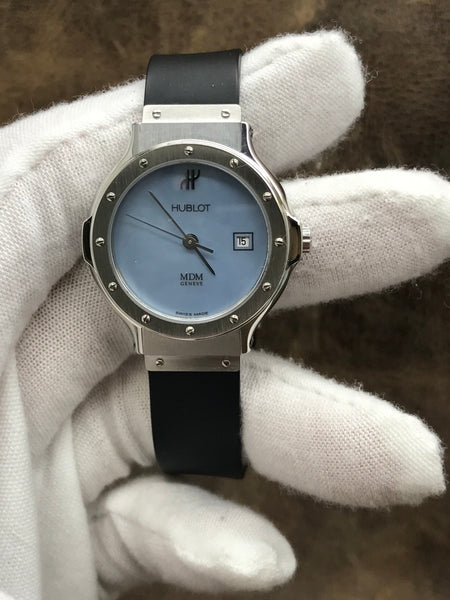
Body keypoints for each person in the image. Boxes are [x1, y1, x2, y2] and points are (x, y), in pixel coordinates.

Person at [0, 31, 447, 600]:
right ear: (97, 239)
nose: (191, 240)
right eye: (183, 236)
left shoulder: (242, 243)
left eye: (195, 238)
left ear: (289, 242)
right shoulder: (122, 250)